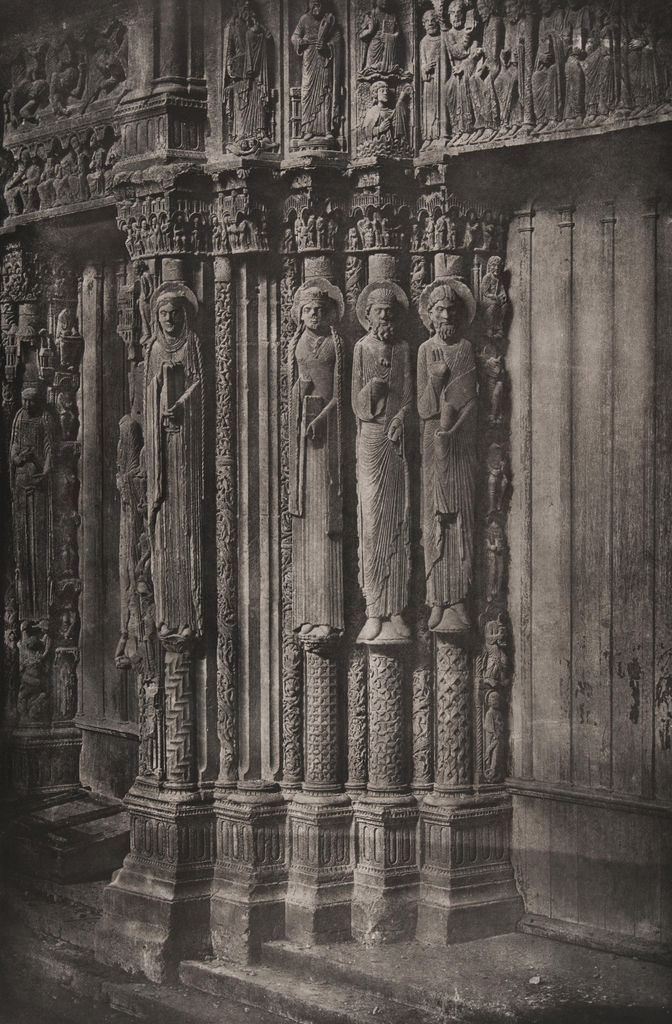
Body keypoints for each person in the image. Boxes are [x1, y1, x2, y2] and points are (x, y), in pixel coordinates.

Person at [417, 275, 478, 633]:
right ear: (431, 315)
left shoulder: (466, 349)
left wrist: (452, 431)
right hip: (432, 439)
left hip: (460, 441)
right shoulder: (427, 351)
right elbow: (425, 408)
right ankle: (438, 599)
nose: (446, 316)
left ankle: (458, 599)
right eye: (439, 310)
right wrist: (437, 381)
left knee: (461, 517)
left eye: (451, 310)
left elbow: (471, 401)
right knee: (435, 517)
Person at [352, 282, 412, 643]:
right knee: (372, 525)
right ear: (369, 316)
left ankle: (397, 609)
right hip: (371, 439)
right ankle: (374, 609)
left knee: (398, 524)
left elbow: (409, 397)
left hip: (395, 440)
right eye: (379, 311)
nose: (386, 316)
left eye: (390, 311)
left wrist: (402, 419)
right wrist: (371, 390)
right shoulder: (362, 349)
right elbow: (356, 404)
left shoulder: (404, 350)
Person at [145, 282, 203, 640]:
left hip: (187, 449)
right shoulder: (153, 349)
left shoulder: (192, 344)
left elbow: (199, 383)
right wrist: (159, 401)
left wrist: (181, 402)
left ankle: (188, 617)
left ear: (183, 315)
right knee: (165, 537)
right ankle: (167, 615)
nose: (169, 320)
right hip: (162, 450)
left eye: (174, 314)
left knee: (184, 530)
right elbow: (150, 387)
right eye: (163, 314)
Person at [289, 278, 345, 639]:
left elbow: (341, 396)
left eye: (319, 310)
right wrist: (300, 395)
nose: (313, 315)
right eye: (308, 310)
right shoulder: (297, 345)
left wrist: (320, 418)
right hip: (303, 444)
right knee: (306, 529)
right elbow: (293, 388)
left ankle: (329, 616)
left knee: (326, 526)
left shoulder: (336, 345)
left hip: (326, 441)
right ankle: (307, 611)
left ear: (329, 313)